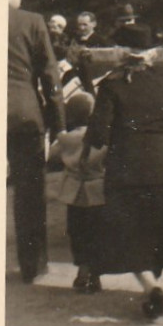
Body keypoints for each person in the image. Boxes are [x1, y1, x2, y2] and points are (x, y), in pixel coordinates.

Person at [81, 24, 163, 318]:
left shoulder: (112, 85)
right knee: (159, 233)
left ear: (122, 52)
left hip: (128, 171)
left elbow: (98, 133)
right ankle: (152, 287)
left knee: (131, 236)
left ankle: (150, 288)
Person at [7, 0, 66, 283]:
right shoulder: (31, 21)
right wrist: (59, 123)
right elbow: (50, 76)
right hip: (24, 115)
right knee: (29, 191)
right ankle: (33, 265)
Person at [48, 90, 105, 294]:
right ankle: (96, 275)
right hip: (97, 193)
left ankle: (82, 271)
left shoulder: (65, 139)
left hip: (73, 193)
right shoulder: (102, 139)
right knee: (96, 234)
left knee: (77, 234)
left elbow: (52, 157)